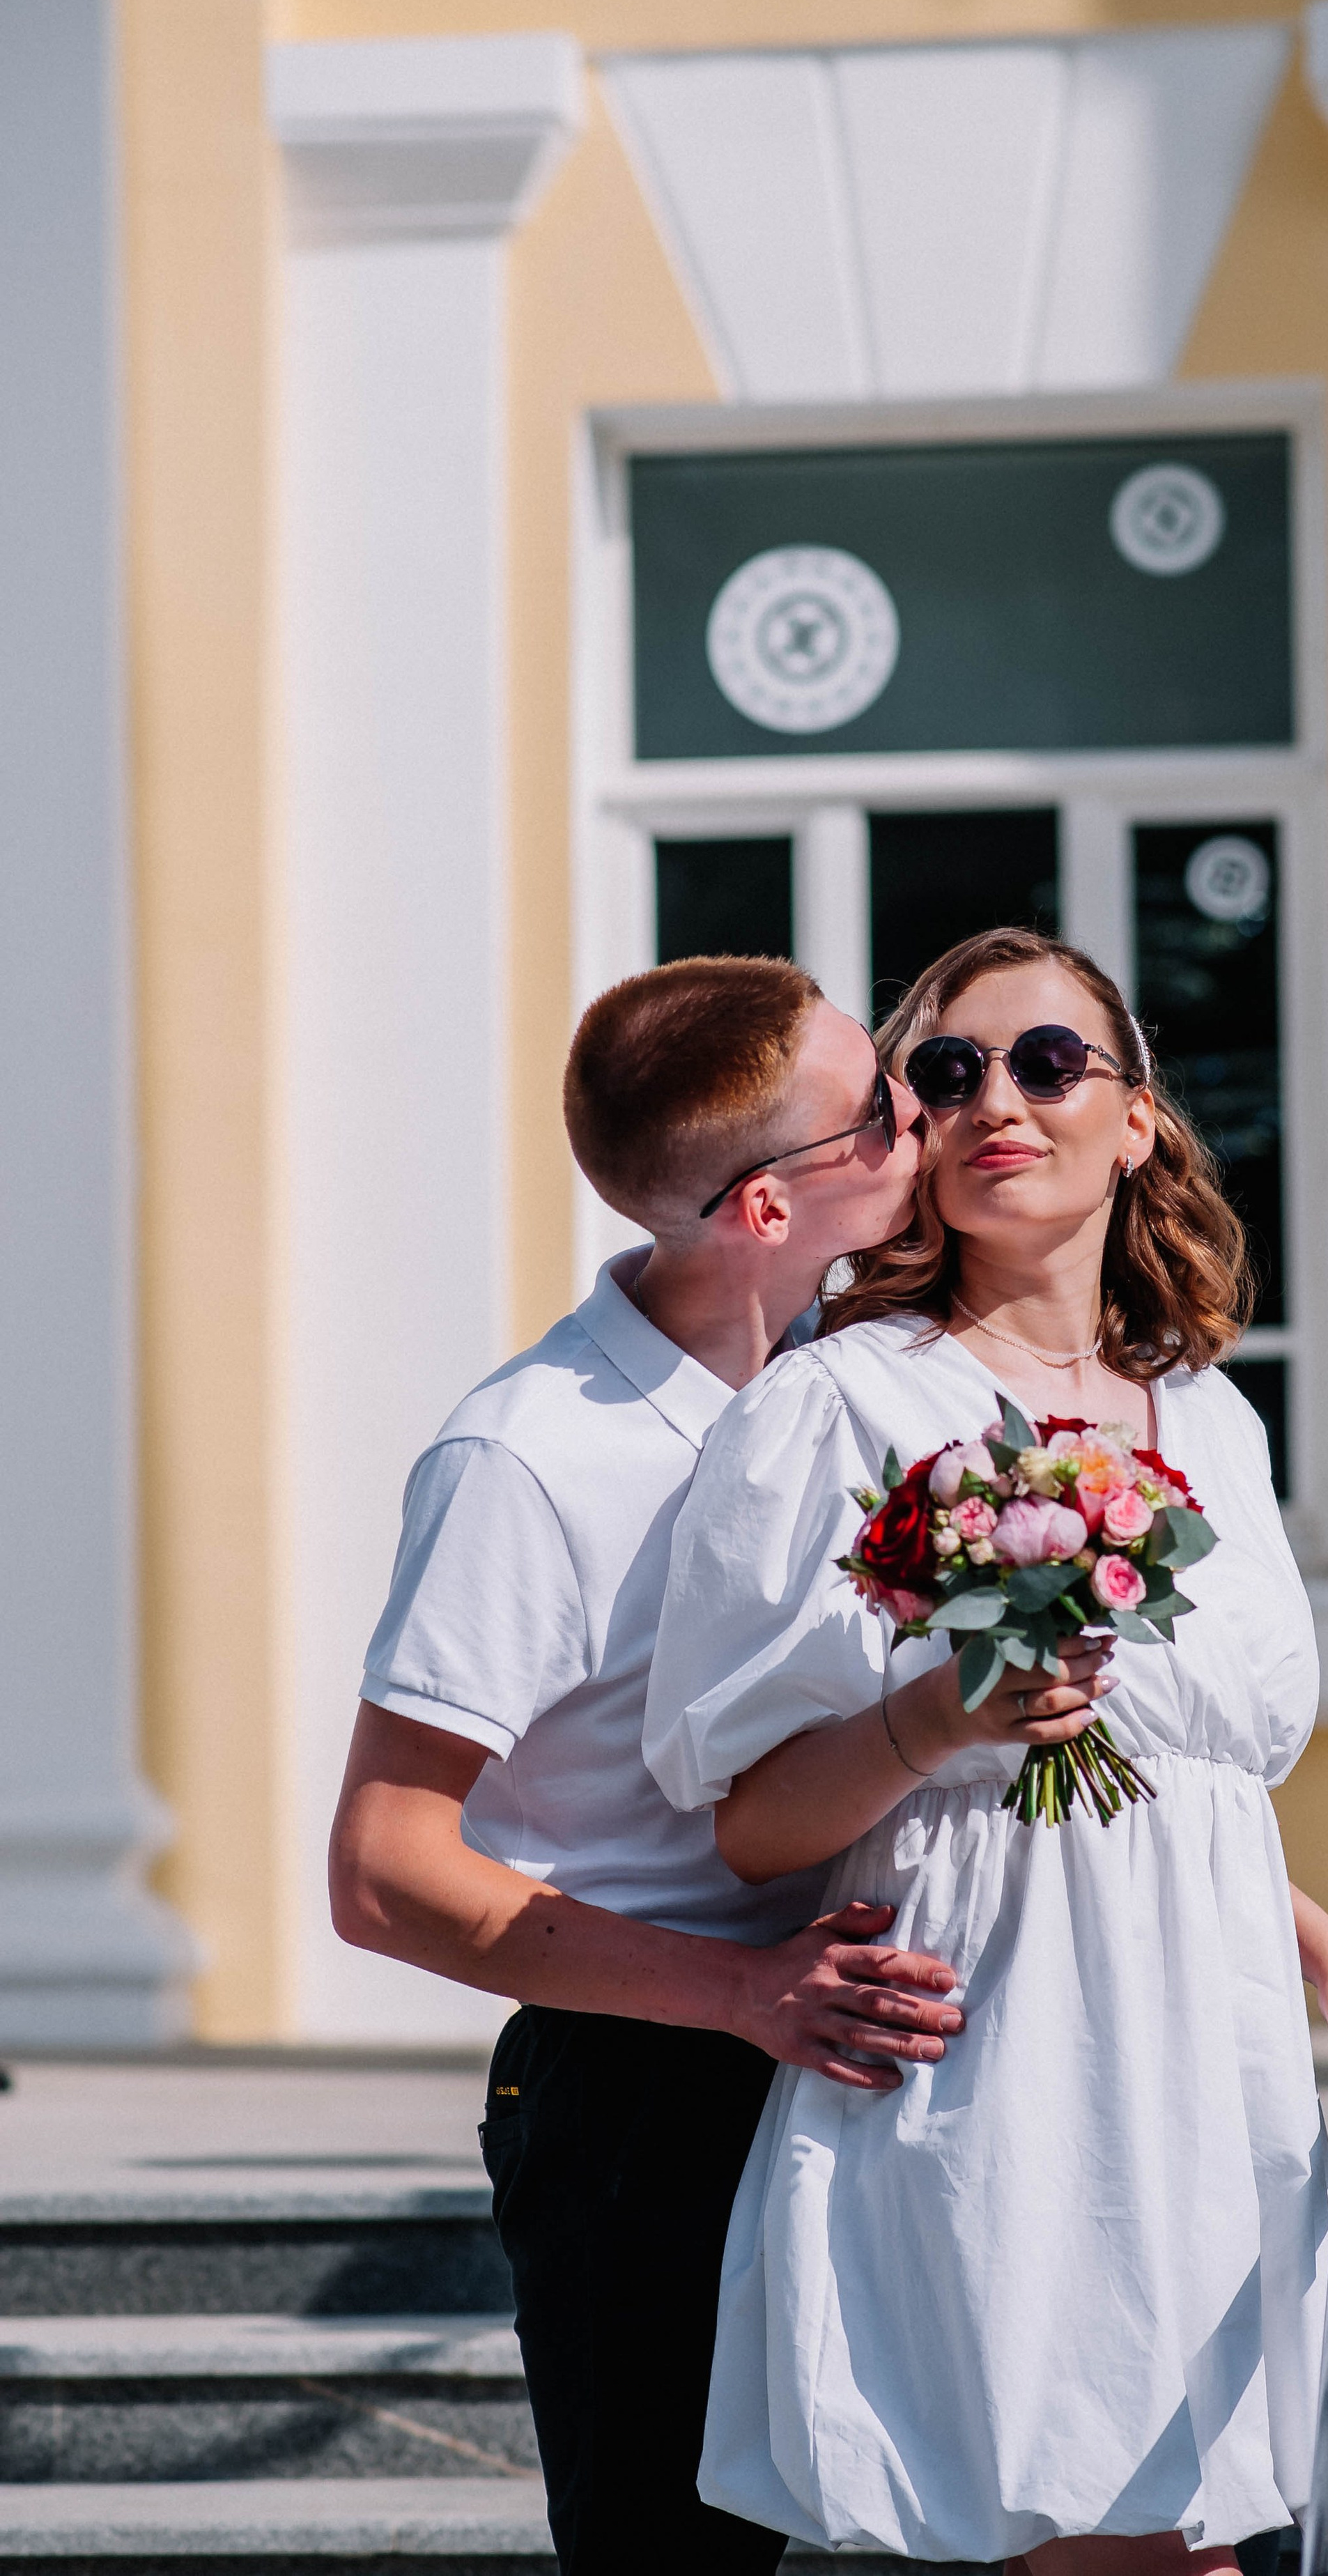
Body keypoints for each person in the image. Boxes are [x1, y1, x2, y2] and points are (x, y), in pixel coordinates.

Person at [644, 928, 1328, 2575]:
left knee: (1185, 2536)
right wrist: (935, 1714)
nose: (993, 1098)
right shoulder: (839, 1408)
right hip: (1008, 2035)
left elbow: (1173, 1776)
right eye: (942, 1072)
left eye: (1044, 1061)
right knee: (1113, 2538)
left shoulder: (1209, 1411)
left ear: (1136, 1119)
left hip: (1204, 2048)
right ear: (910, 1134)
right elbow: (749, 1824)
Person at [327, 955, 966, 2576]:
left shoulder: (877, 1381)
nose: (929, 1114)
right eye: (888, 1105)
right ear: (765, 1208)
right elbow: (385, 1866)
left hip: (880, 2039)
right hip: (646, 2087)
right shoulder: (524, 1458)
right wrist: (739, 1996)